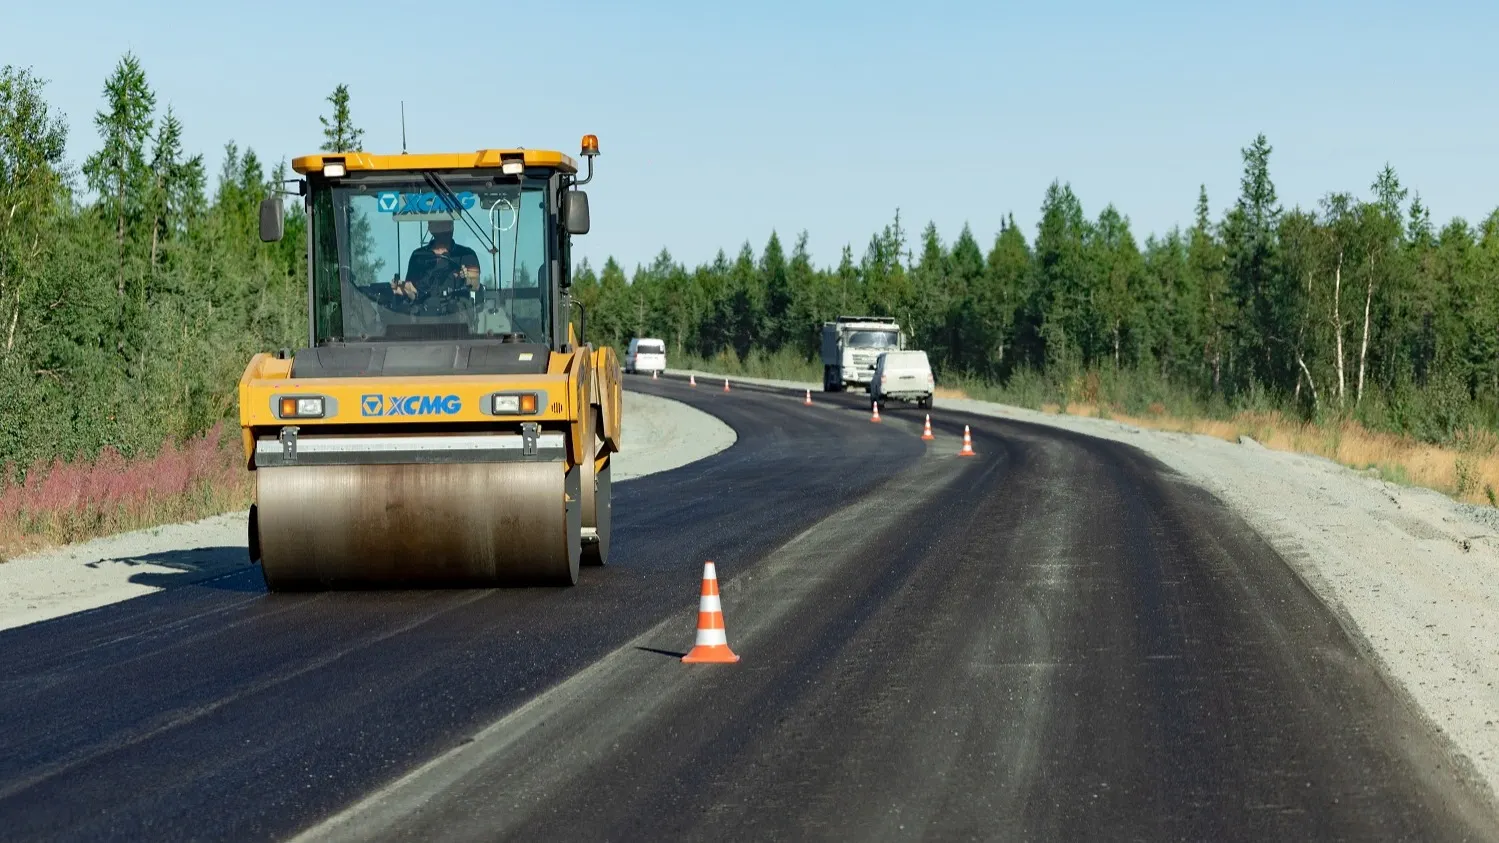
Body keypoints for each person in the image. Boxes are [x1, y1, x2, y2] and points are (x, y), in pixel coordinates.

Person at [390, 218, 481, 307]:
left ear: (452, 225)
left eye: (447, 223)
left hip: (457, 316)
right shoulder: (418, 256)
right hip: (421, 318)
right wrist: (404, 289)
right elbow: (412, 291)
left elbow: (475, 285)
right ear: (430, 227)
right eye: (439, 224)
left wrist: (468, 278)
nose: (443, 228)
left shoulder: (466, 255)